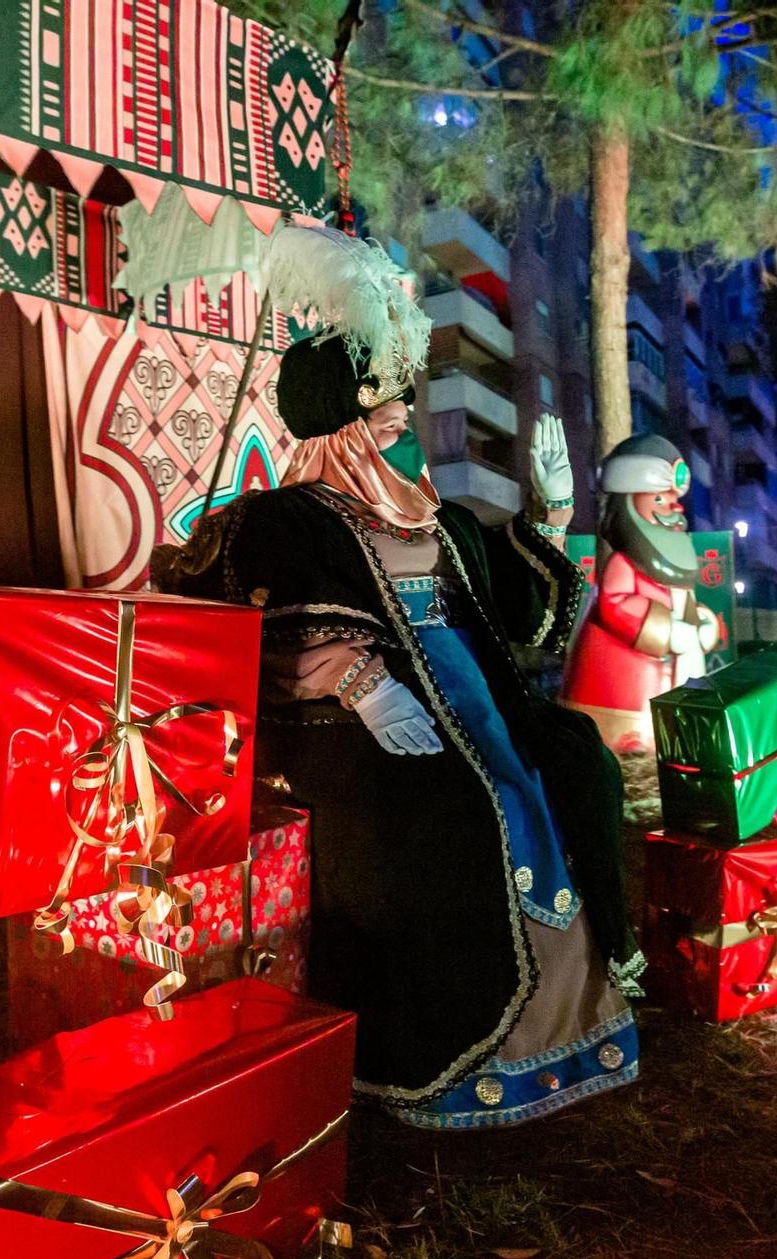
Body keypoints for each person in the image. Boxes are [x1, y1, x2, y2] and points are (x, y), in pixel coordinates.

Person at [161, 319, 643, 1130]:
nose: (403, 429)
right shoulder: (279, 522)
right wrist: (355, 680)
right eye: (383, 416)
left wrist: (549, 516)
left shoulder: (437, 519)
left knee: (570, 766)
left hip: (478, 697)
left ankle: (570, 1024)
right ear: (338, 424)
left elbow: (513, 619)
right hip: (356, 727)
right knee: (453, 811)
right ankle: (466, 1055)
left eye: (403, 413)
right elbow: (243, 637)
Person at [558, 433, 724, 753]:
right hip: (622, 691)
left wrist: (699, 624)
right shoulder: (622, 563)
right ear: (629, 504)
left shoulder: (669, 567)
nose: (674, 508)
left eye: (673, 499)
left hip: (668, 682)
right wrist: (668, 631)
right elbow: (615, 605)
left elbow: (683, 607)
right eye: (659, 500)